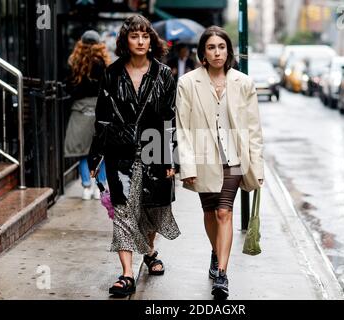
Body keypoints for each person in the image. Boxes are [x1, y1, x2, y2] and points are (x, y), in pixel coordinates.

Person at [88, 15, 180, 298]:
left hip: (155, 149)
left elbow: (169, 120)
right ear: (125, 41)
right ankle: (127, 274)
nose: (140, 41)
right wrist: (96, 155)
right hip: (120, 151)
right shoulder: (112, 73)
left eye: (145, 36)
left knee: (152, 209)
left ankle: (149, 251)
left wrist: (169, 161)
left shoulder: (164, 74)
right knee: (124, 211)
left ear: (152, 41)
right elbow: (102, 118)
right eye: (134, 36)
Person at [175, 26, 264, 300]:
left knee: (225, 212)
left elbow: (253, 129)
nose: (217, 52)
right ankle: (216, 252)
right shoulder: (188, 83)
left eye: (222, 47)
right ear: (203, 52)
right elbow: (183, 129)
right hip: (202, 159)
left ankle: (222, 275)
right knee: (210, 212)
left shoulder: (243, 83)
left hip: (234, 159)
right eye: (211, 47)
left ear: (228, 51)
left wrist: (257, 167)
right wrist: (187, 166)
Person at [64, 30, 110, 200]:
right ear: (99, 45)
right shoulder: (103, 64)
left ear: (81, 44)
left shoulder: (74, 62)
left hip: (80, 109)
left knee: (83, 151)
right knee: (101, 151)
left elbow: (69, 87)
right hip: (100, 109)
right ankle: (100, 187)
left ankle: (86, 187)